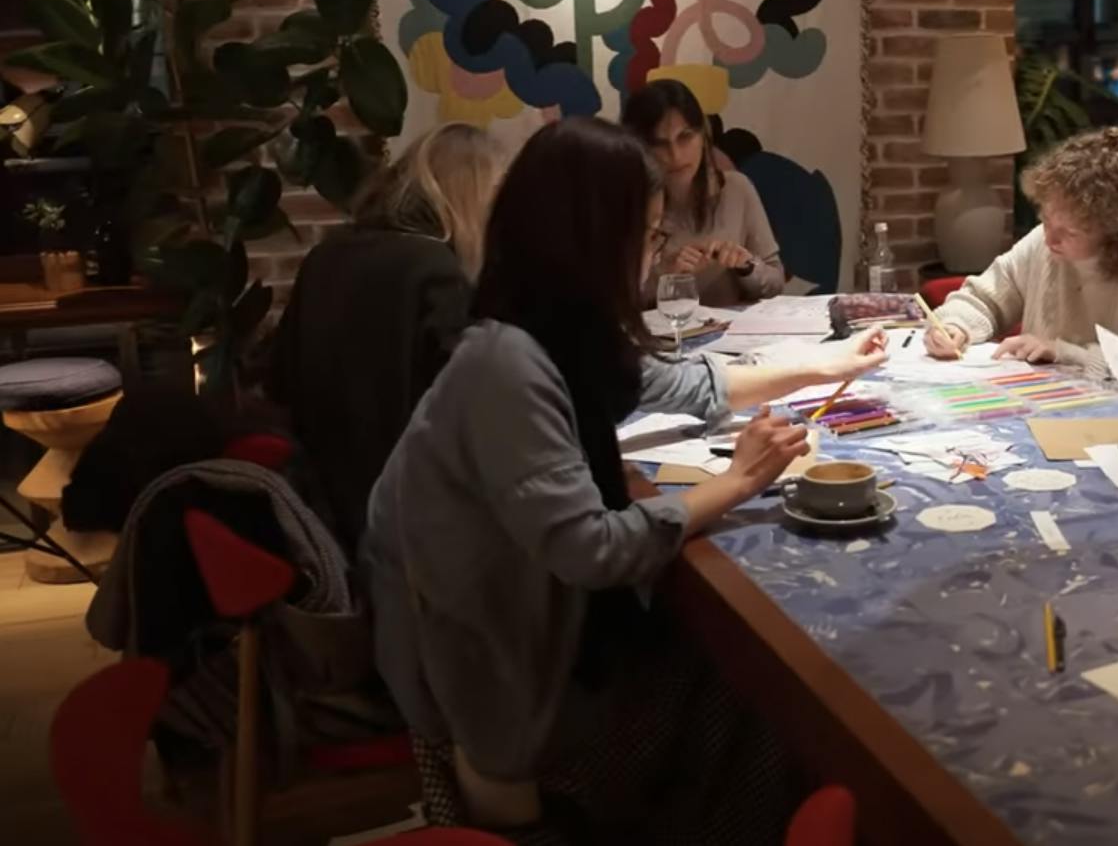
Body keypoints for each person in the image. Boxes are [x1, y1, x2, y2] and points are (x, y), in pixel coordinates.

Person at [359, 116, 885, 842]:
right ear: (588, 239)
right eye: (645, 235)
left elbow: (685, 385)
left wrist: (830, 365)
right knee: (773, 696)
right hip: (508, 683)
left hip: (534, 636)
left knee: (753, 662)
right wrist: (738, 478)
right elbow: (593, 549)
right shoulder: (505, 363)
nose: (653, 254)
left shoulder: (551, 327)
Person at [268, 121, 506, 555]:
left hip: (320, 512)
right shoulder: (434, 271)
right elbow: (472, 417)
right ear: (468, 198)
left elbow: (279, 382)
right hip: (409, 528)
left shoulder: (327, 254)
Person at [924, 127, 1118, 374]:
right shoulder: (1042, 244)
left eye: (1070, 232)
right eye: (1046, 221)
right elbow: (984, 298)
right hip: (1052, 413)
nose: (1049, 239)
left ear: (1116, 231)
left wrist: (1064, 354)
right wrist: (954, 326)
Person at [622, 79, 786, 307]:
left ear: (703, 135)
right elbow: (613, 305)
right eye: (660, 144)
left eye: (685, 137)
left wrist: (746, 266)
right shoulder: (627, 203)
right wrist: (665, 276)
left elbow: (776, 282)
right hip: (662, 337)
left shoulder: (735, 188)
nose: (675, 155)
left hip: (732, 336)